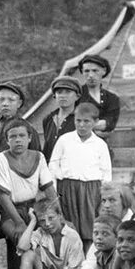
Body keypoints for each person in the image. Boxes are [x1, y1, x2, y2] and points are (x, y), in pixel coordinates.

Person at [51, 102, 112, 244]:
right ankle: (70, 262)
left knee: (89, 230)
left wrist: (103, 196)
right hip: (67, 189)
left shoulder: (100, 144)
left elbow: (106, 173)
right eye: (78, 121)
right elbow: (53, 165)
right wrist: (55, 190)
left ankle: (87, 261)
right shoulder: (64, 140)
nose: (82, 125)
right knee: (68, 229)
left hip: (91, 191)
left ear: (95, 122)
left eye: (86, 121)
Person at [0, 118, 57, 247]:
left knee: (55, 234)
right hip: (10, 213)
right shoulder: (1, 159)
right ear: (7, 141)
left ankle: (48, 267)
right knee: (24, 241)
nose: (18, 140)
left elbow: (49, 189)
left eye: (22, 135)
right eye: (13, 136)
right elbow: (3, 196)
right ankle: (19, 268)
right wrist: (19, 222)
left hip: (35, 208)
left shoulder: (39, 156)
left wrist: (59, 214)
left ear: (29, 138)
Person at [0, 81, 41, 159]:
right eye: (1, 99)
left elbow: (35, 158)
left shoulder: (28, 128)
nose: (5, 104)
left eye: (11, 100)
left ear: (19, 103)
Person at [98, 181, 135, 256]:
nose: (106, 205)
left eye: (112, 200)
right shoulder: (104, 224)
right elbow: (92, 258)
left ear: (124, 202)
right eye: (103, 201)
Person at [76, 54, 121, 134]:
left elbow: (110, 124)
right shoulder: (75, 96)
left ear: (103, 71)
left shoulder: (112, 98)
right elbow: (70, 123)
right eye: (86, 71)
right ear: (82, 72)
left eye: (95, 71)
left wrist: (85, 125)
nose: (91, 75)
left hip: (101, 144)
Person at [41, 75, 81, 161]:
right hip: (51, 169)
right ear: (54, 96)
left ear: (77, 96)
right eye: (59, 92)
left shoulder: (81, 119)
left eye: (68, 92)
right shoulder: (48, 119)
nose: (63, 96)